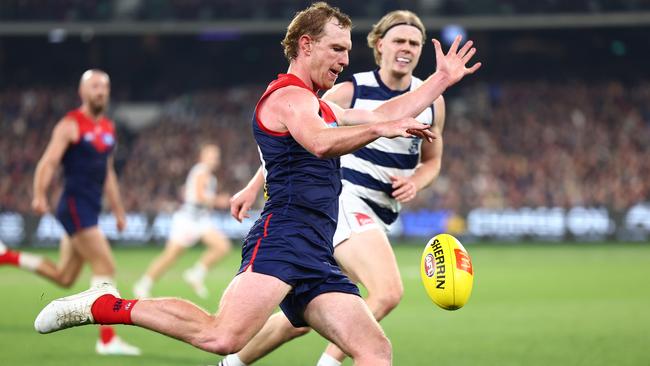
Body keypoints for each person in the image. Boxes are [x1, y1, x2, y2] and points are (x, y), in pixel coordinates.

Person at [33, 3, 479, 365]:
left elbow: (381, 112)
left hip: (317, 250)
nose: (345, 60)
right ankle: (105, 305)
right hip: (283, 237)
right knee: (221, 335)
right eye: (337, 49)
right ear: (306, 45)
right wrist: (380, 130)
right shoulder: (287, 97)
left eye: (347, 50)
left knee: (375, 351)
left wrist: (440, 80)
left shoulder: (319, 104)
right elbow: (323, 144)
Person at [221, 10, 445, 366]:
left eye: (415, 43)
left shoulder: (431, 100)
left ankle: (231, 361)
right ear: (380, 45)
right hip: (345, 201)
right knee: (387, 291)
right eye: (399, 40)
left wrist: (416, 180)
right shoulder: (348, 89)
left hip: (375, 213)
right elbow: (301, 139)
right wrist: (254, 185)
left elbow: (432, 159)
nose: (407, 48)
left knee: (305, 316)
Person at [0, 69, 140, 356]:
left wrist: (118, 210)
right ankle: (107, 339)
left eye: (104, 86)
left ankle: (7, 256)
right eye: (94, 86)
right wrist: (39, 194)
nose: (100, 91)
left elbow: (108, 173)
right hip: (74, 207)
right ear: (83, 92)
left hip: (89, 208)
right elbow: (48, 162)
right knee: (106, 266)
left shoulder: (109, 128)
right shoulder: (70, 124)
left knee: (65, 277)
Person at [133, 143, 232, 299]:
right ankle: (143, 284)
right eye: (211, 155)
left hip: (201, 219)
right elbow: (199, 197)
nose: (214, 159)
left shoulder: (209, 176)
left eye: (216, 156)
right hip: (187, 220)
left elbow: (194, 194)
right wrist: (218, 200)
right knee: (170, 256)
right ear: (202, 157)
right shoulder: (200, 171)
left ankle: (196, 274)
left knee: (222, 247)